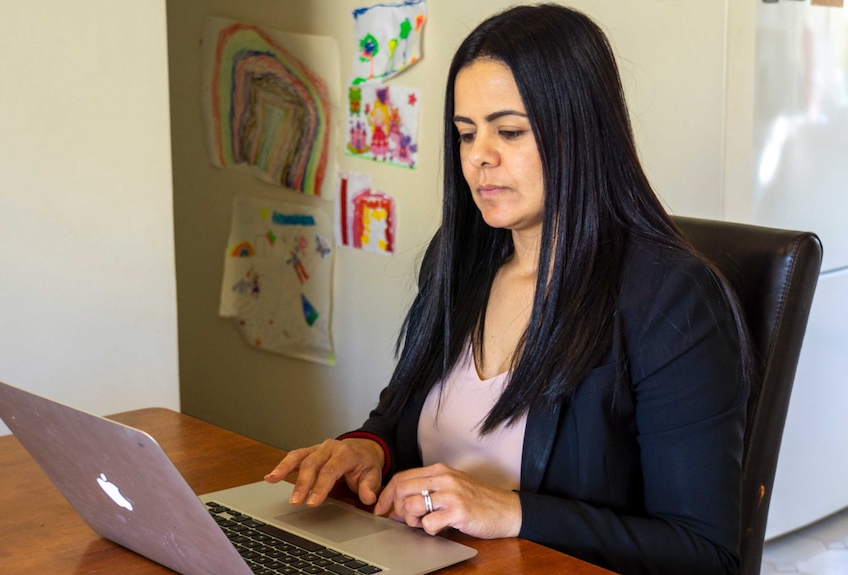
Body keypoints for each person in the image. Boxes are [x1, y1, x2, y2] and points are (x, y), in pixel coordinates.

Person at [266, 4, 752, 574]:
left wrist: (512, 512)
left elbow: (705, 554)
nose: (479, 158)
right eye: (466, 134)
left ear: (582, 130)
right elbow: (401, 419)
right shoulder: (461, 256)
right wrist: (366, 449)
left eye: (510, 131)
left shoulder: (672, 299)